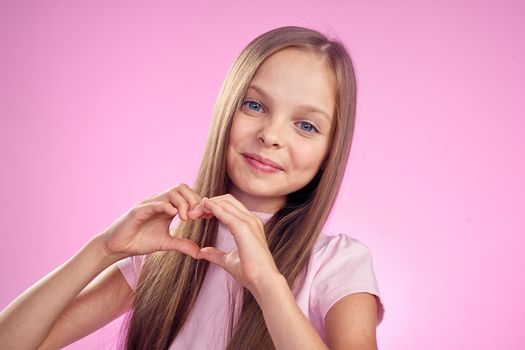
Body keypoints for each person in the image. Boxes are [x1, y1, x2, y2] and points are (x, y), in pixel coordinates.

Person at [0, 25, 385, 349]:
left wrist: (267, 283)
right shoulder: (168, 246)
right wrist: (104, 249)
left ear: (330, 150)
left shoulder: (339, 264)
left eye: (306, 125)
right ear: (226, 108)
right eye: (254, 106)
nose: (271, 135)